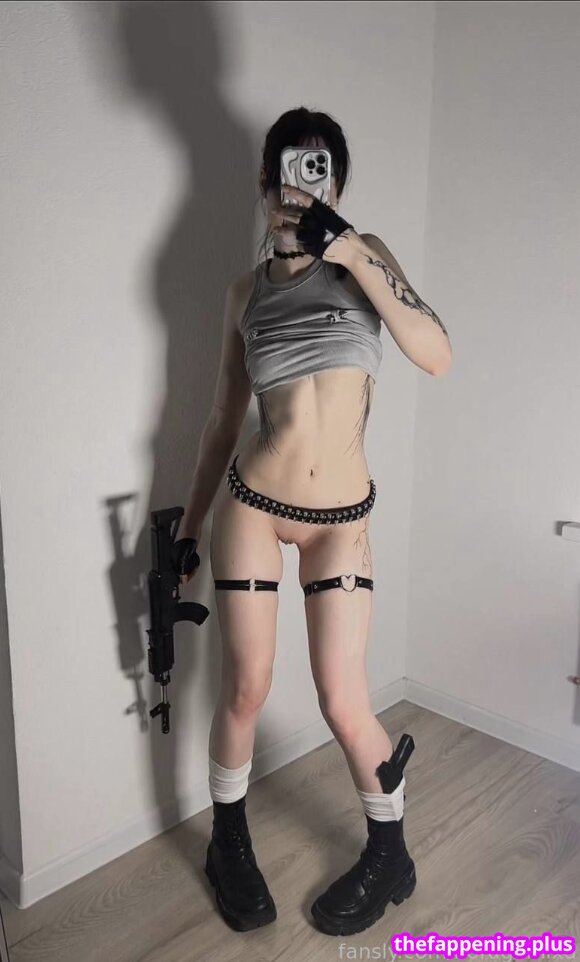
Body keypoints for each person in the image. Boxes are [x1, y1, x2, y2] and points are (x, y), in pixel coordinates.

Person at [173, 107, 451, 937]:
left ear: (337, 182)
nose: (299, 190)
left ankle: (390, 853)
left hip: (342, 521)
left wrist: (353, 250)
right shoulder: (244, 293)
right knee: (246, 686)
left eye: (317, 171)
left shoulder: (368, 261)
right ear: (266, 185)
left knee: (343, 698)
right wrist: (188, 527)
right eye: (287, 174)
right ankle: (228, 842)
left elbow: (436, 354)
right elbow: (222, 422)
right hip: (254, 509)